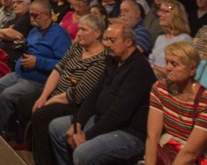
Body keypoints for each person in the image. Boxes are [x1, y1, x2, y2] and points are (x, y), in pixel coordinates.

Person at [48, 22, 156, 165]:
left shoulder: (139, 69)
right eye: (106, 39)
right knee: (57, 127)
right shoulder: (113, 60)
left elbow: (120, 114)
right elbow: (94, 94)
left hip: (129, 132)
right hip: (102, 120)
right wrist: (78, 123)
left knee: (83, 153)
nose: (107, 45)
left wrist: (87, 136)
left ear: (129, 42)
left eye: (112, 40)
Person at [25, 14, 108, 165]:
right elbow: (58, 69)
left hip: (74, 103)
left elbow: (79, 94)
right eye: (79, 29)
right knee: (25, 101)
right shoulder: (77, 46)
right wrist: (44, 96)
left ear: (97, 34)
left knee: (41, 115)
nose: (79, 33)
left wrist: (50, 101)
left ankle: (44, 161)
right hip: (57, 94)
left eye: (84, 30)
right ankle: (31, 147)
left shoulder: (102, 59)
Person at [0, 0, 72, 135]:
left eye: (35, 15)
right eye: (30, 15)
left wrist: (39, 62)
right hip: (19, 74)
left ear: (46, 15)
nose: (31, 19)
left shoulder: (60, 35)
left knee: (7, 95)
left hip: (38, 80)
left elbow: (65, 64)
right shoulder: (34, 30)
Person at [144, 41, 207, 165]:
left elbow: (190, 154)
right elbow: (153, 136)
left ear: (192, 69)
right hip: (169, 149)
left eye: (174, 64)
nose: (168, 68)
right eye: (167, 62)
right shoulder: (160, 88)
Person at [150, 0, 194, 77]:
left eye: (165, 11)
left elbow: (177, 71)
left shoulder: (183, 39)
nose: (159, 14)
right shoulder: (160, 38)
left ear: (175, 16)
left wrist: (153, 67)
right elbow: (151, 61)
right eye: (160, 10)